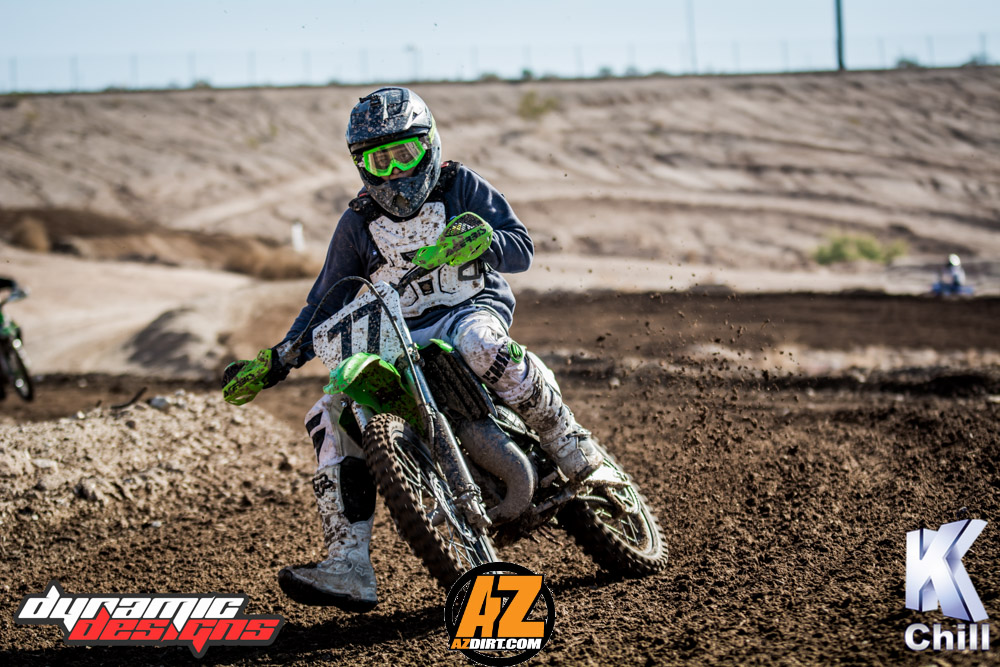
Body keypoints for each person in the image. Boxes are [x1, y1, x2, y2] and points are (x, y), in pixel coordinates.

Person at [221, 87, 602, 612]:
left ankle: (564, 436)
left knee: (480, 343)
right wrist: (278, 358)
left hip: (469, 309)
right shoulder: (357, 223)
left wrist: (485, 242)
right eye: (381, 161)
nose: (396, 172)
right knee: (328, 413)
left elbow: (521, 248)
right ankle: (348, 563)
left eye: (405, 154)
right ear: (361, 166)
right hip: (398, 336)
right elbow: (324, 301)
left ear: (430, 145)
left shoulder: (459, 185)